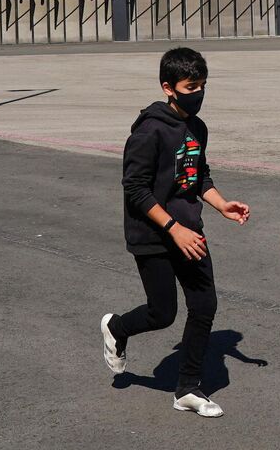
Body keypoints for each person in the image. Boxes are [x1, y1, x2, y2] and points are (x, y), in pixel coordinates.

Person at [101, 47, 250, 419]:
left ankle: (187, 389)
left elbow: (199, 175)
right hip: (153, 234)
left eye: (202, 85)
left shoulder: (197, 128)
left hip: (189, 229)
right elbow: (135, 189)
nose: (197, 93)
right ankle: (117, 327)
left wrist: (222, 205)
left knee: (204, 305)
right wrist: (173, 228)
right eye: (190, 86)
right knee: (162, 312)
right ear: (169, 87)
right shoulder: (149, 131)